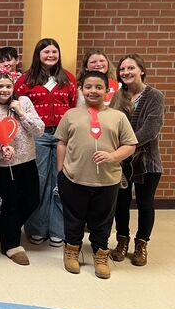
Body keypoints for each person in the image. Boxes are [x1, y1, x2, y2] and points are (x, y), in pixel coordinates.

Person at [56, 71, 136, 279]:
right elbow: (62, 142)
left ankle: (101, 253)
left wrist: (112, 156)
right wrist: (61, 171)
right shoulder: (71, 115)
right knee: (73, 218)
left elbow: (130, 145)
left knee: (102, 220)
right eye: (88, 87)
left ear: (107, 90)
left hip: (107, 180)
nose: (93, 91)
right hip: (74, 177)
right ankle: (72, 250)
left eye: (98, 87)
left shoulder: (118, 117)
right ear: (81, 89)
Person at [14, 38, 77, 246]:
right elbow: (17, 108)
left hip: (63, 137)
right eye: (46, 52)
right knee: (39, 182)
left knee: (61, 182)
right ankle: (37, 227)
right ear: (38, 55)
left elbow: (74, 106)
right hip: (38, 136)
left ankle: (58, 228)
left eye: (54, 52)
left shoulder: (68, 79)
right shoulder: (26, 80)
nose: (51, 55)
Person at [0, 72, 44, 265]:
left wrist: (21, 113)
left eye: (8, 86)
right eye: (0, 86)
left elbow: (39, 129)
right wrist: (1, 150)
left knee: (33, 200)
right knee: (10, 204)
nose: (4, 90)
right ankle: (11, 245)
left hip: (28, 160)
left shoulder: (23, 102)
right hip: (5, 164)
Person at [109, 54, 165, 266]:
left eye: (131, 68)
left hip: (147, 162)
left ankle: (141, 245)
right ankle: (122, 240)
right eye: (122, 69)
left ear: (141, 70)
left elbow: (150, 130)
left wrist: (125, 147)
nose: (126, 73)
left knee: (145, 203)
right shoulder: (118, 96)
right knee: (120, 204)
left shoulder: (155, 96)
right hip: (121, 162)